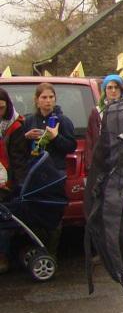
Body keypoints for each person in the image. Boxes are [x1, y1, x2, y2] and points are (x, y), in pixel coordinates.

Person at [22, 83, 77, 256]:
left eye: (51, 97)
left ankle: (51, 252)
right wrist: (25, 137)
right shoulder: (30, 120)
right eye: (44, 98)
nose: (48, 101)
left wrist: (55, 137)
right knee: (34, 212)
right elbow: (20, 149)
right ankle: (38, 249)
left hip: (55, 173)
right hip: (35, 172)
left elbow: (70, 146)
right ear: (37, 101)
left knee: (53, 212)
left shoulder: (63, 120)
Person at [0, 87, 29, 273]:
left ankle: (3, 256)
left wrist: (18, 185)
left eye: (1, 108)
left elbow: (18, 159)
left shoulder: (16, 125)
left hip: (6, 180)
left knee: (3, 222)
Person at [86, 74, 123, 171]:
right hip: (103, 159)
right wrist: (90, 163)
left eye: (116, 87)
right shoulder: (97, 111)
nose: (113, 91)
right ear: (104, 90)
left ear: (121, 90)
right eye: (110, 87)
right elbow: (90, 138)